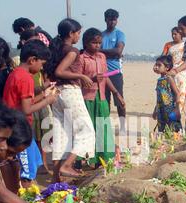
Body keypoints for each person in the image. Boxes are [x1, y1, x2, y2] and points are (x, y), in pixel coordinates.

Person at [3, 40, 59, 188]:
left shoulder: (16, 73)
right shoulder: (26, 78)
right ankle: (24, 198)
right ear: (32, 60)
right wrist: (48, 100)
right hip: (18, 128)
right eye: (41, 64)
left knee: (33, 161)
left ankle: (26, 194)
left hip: (18, 125)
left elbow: (25, 102)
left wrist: (45, 96)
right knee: (27, 169)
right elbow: (27, 109)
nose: (41, 68)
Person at [45, 18, 96, 182]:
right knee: (86, 130)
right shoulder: (72, 50)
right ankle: (68, 165)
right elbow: (60, 71)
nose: (79, 36)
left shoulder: (56, 48)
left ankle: (56, 176)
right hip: (69, 91)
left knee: (62, 134)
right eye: (78, 32)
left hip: (56, 93)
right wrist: (81, 75)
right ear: (71, 33)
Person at [80, 28, 125, 167]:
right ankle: (89, 159)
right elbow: (77, 79)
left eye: (99, 43)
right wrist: (92, 78)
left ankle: (104, 158)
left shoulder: (102, 57)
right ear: (86, 43)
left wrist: (117, 93)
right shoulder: (81, 58)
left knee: (104, 128)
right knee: (90, 129)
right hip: (88, 98)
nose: (97, 46)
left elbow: (105, 78)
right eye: (94, 43)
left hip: (101, 97)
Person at [100, 9, 127, 132]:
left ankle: (122, 126)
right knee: (104, 101)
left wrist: (101, 52)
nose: (112, 22)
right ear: (105, 20)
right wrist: (111, 53)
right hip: (102, 73)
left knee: (119, 100)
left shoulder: (119, 34)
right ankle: (105, 127)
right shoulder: (101, 35)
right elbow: (97, 52)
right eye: (110, 19)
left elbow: (118, 51)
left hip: (115, 73)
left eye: (114, 19)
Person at [161, 27, 186, 121]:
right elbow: (163, 58)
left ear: (181, 34)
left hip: (182, 71)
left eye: (175, 34)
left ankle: (178, 111)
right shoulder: (168, 45)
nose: (173, 36)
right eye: (172, 34)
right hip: (170, 71)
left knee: (181, 90)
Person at [152, 55, 182, 133]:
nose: (156, 67)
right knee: (162, 131)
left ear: (167, 67)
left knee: (173, 130)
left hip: (170, 110)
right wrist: (155, 110)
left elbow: (177, 93)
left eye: (159, 65)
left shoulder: (169, 79)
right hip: (161, 110)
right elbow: (159, 98)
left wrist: (177, 109)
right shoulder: (159, 80)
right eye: (156, 65)